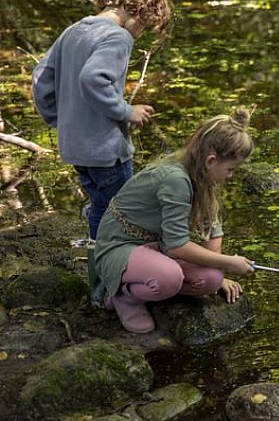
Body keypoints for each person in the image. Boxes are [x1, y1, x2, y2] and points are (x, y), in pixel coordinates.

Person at [32, 0, 173, 240]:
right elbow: (93, 79)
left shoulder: (74, 30)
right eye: (143, 27)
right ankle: (112, 270)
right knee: (122, 213)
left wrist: (60, 120)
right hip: (105, 149)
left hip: (76, 147)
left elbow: (40, 78)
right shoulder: (118, 37)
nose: (140, 34)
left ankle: (97, 265)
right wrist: (126, 111)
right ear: (138, 11)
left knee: (100, 206)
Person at [92, 108, 256, 334]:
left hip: (156, 246)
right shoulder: (176, 179)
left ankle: (155, 284)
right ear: (211, 160)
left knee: (212, 279)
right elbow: (177, 245)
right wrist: (229, 261)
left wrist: (221, 269)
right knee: (169, 277)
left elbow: (212, 228)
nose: (231, 176)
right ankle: (124, 296)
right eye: (230, 169)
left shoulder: (201, 174)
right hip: (121, 245)